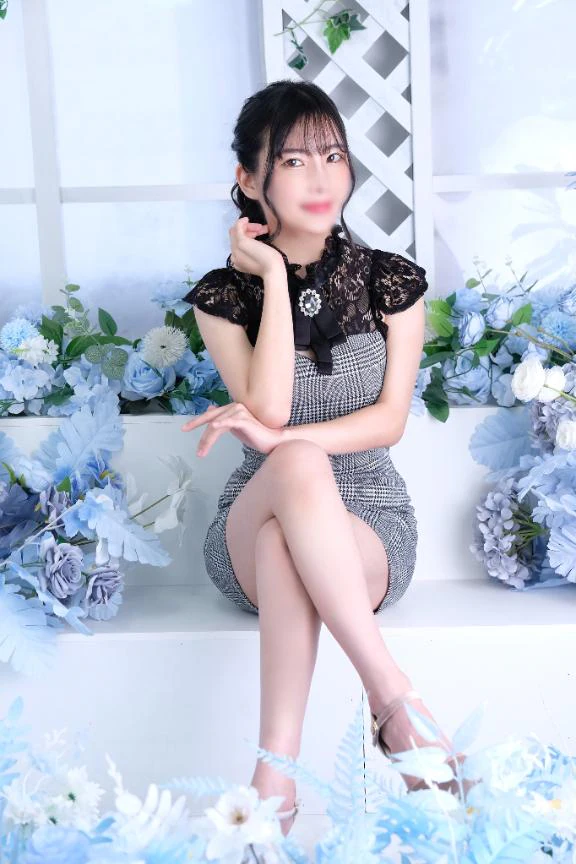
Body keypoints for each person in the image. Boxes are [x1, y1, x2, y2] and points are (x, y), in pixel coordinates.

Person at [181, 80, 463, 836]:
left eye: (333, 156)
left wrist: (285, 444)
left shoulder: (390, 281)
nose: (321, 178)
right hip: (250, 519)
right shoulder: (222, 299)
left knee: (293, 503)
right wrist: (273, 277)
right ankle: (395, 704)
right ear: (249, 180)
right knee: (292, 475)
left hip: (367, 520)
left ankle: (274, 778)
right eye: (294, 160)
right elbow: (270, 411)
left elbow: (389, 422)